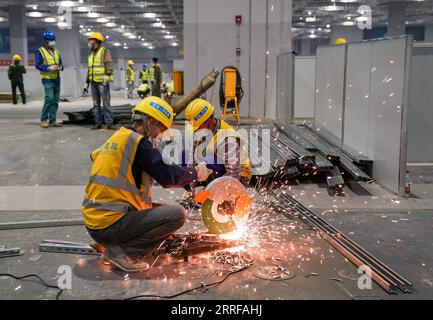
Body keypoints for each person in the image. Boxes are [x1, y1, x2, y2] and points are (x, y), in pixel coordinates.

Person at [82, 96, 212, 272]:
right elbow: (168, 177)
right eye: (161, 129)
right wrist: (196, 173)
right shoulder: (139, 143)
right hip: (108, 226)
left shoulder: (120, 137)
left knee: (161, 210)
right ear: (150, 124)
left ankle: (112, 244)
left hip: (97, 222)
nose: (161, 136)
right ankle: (126, 253)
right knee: (176, 215)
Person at [184, 98, 252, 186]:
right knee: (184, 155)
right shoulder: (201, 131)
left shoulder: (227, 138)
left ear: (208, 120)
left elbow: (234, 172)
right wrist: (191, 187)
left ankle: (211, 193)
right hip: (215, 169)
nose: (195, 131)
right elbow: (191, 159)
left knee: (209, 160)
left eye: (198, 127)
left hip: (238, 179)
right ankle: (200, 191)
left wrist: (217, 192)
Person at [86, 32, 115, 130]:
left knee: (106, 103)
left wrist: (107, 74)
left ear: (96, 41)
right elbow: (90, 69)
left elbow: (109, 63)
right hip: (93, 82)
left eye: (91, 40)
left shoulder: (104, 51)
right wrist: (87, 82)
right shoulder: (91, 54)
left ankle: (109, 123)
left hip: (102, 82)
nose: (89, 42)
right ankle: (98, 123)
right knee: (95, 103)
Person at [35, 29, 63, 128]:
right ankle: (44, 119)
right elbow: (37, 65)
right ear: (45, 41)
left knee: (55, 100)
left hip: (56, 78)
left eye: (53, 39)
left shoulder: (56, 51)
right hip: (47, 79)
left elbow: (61, 63)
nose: (52, 41)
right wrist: (47, 67)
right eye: (50, 40)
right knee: (49, 99)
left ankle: (52, 120)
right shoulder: (40, 51)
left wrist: (60, 67)